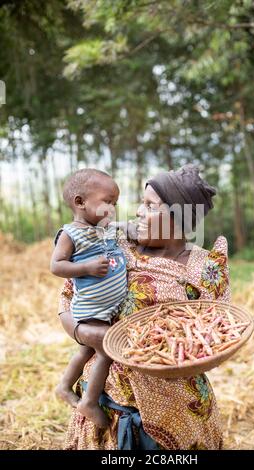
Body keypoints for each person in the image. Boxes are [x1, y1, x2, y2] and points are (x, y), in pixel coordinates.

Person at [58, 164, 231, 450]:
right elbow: (67, 297)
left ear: (179, 219)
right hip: (104, 403)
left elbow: (218, 333)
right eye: (141, 202)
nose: (138, 212)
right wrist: (85, 334)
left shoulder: (204, 268)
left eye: (150, 206)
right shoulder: (110, 243)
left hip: (176, 410)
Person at [51, 169, 127, 429]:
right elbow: (57, 266)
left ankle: (63, 386)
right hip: (90, 308)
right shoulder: (70, 234)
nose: (112, 209)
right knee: (107, 349)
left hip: (106, 308)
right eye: (107, 201)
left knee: (85, 350)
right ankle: (89, 402)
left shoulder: (102, 229)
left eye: (115, 204)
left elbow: (118, 232)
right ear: (80, 202)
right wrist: (86, 268)